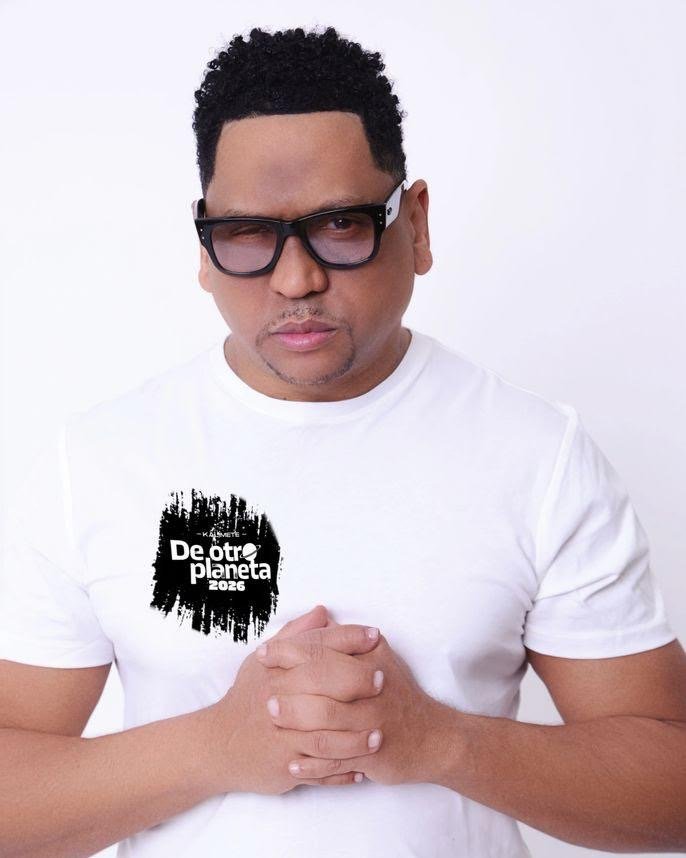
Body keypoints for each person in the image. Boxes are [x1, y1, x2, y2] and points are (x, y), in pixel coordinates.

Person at [1, 23, 685, 858]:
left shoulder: (538, 456)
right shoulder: (100, 462)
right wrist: (216, 747)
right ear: (204, 245)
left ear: (416, 224)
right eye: (248, 234)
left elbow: (671, 790)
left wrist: (436, 740)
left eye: (340, 225)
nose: (297, 278)